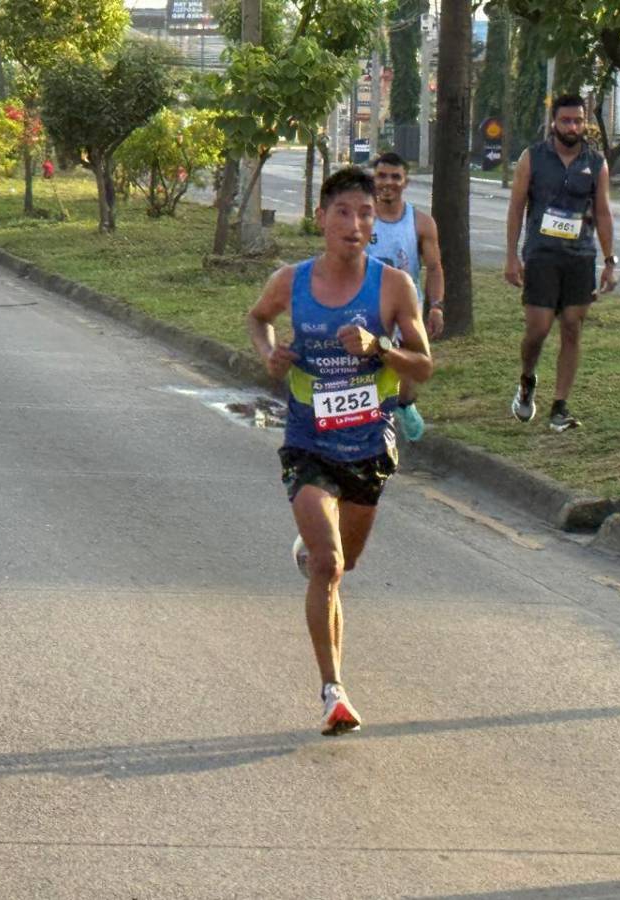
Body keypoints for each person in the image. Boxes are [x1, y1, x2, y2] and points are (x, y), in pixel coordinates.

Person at [247, 167, 433, 737]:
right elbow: (258, 319)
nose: (355, 224)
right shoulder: (292, 281)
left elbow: (424, 365)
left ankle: (316, 549)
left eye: (366, 214)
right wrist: (270, 355)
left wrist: (381, 349)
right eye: (344, 213)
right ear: (322, 218)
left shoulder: (393, 286)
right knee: (327, 565)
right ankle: (333, 692)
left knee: (344, 564)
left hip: (369, 445)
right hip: (308, 441)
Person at [505, 93, 617, 433]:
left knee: (571, 326)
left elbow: (603, 213)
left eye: (578, 121)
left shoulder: (596, 163)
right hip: (541, 255)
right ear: (553, 122)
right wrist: (511, 256)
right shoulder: (533, 158)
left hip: (580, 257)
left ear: (585, 124)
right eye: (566, 121)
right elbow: (516, 207)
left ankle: (559, 406)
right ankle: (527, 379)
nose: (572, 127)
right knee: (538, 330)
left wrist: (609, 261)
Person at [366, 151, 444, 442]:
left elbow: (434, 268)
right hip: (366, 305)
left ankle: (405, 405)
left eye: (395, 177)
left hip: (406, 307)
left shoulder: (421, 223)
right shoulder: (361, 218)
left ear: (405, 182)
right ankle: (366, 423)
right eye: (381, 176)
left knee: (409, 366)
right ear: (373, 180)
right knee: (368, 366)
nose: (388, 182)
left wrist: (436, 307)